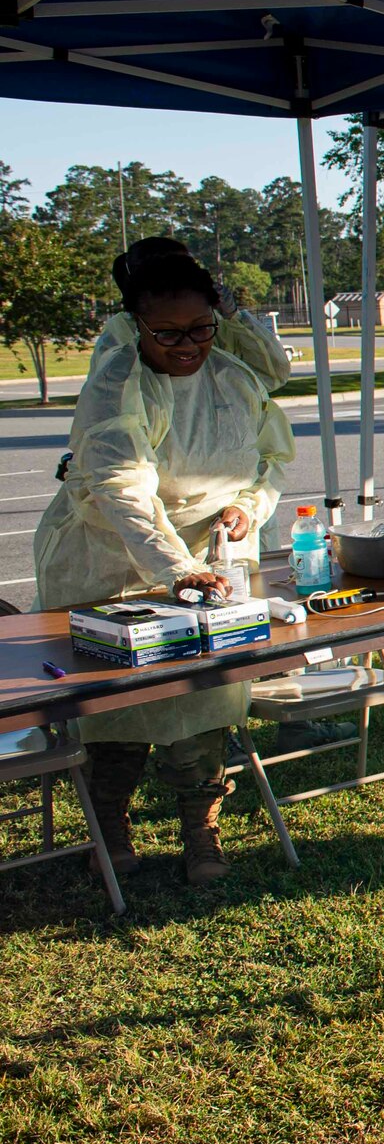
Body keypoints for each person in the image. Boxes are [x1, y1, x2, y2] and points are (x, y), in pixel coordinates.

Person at [34, 238, 298, 886]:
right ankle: (110, 823)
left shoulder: (234, 377)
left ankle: (200, 828)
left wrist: (249, 507)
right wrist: (173, 566)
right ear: (135, 324)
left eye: (202, 328)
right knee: (119, 706)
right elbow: (120, 485)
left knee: (204, 701)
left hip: (209, 561)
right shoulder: (118, 381)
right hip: (110, 556)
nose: (187, 344)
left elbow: (271, 459)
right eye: (168, 332)